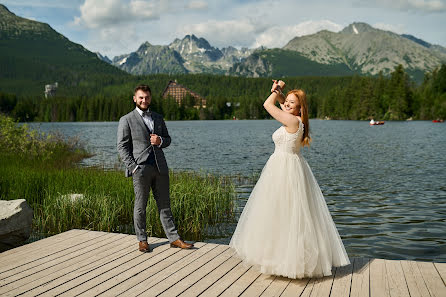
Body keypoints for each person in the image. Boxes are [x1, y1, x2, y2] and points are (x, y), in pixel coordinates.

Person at [229, 80, 350, 279]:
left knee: (284, 214)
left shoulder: (292, 121)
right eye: (287, 102)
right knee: (285, 215)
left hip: (283, 169)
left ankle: (286, 262)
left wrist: (277, 92)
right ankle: (279, 258)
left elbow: (267, 105)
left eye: (291, 103)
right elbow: (286, 106)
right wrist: (282, 95)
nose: (286, 104)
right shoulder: (298, 119)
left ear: (299, 108)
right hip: (288, 167)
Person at [117, 84, 193, 252]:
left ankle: (174, 239)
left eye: (147, 97)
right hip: (140, 169)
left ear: (150, 98)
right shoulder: (126, 119)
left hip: (160, 167)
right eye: (141, 97)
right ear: (135, 99)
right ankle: (142, 240)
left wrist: (160, 141)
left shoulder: (158, 118)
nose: (144, 100)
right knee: (140, 206)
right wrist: (133, 167)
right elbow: (122, 147)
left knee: (165, 205)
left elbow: (168, 139)